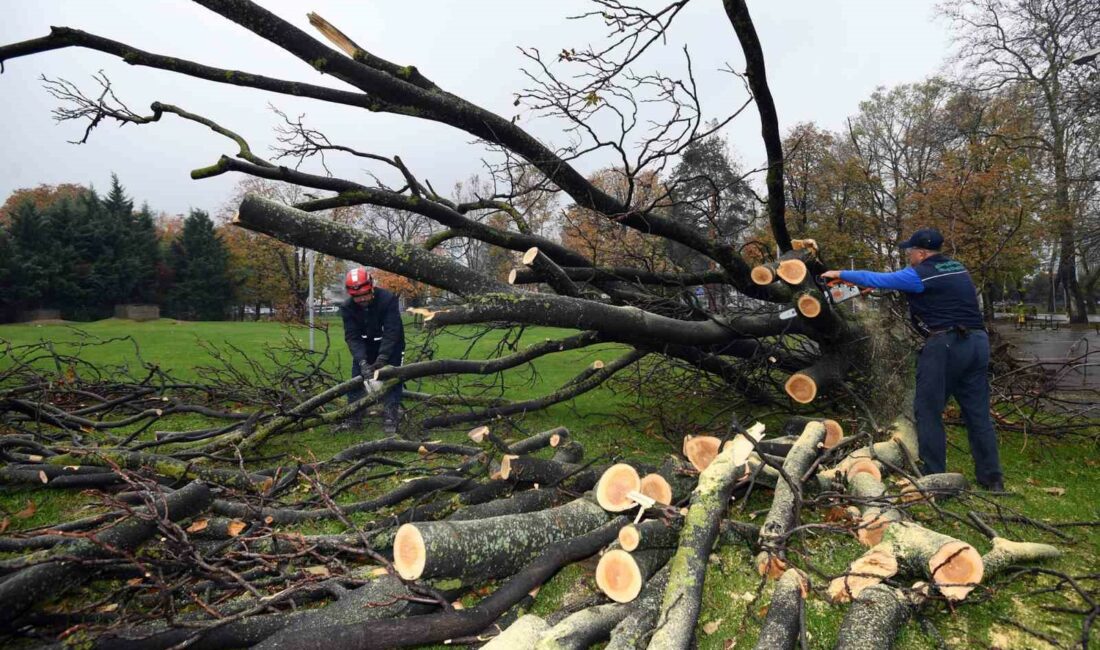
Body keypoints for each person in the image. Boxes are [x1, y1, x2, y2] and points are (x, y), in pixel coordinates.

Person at [821, 227, 1005, 491]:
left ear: (921, 253)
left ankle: (933, 476)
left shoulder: (921, 273)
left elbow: (883, 278)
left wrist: (841, 274)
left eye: (910, 252)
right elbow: (925, 293)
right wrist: (868, 290)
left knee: (927, 411)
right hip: (977, 343)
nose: (908, 256)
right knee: (977, 414)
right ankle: (992, 479)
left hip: (946, 344)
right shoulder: (956, 268)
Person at [337, 267, 404, 435]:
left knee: (392, 379)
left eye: (365, 295)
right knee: (356, 380)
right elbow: (352, 337)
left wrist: (383, 358)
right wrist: (362, 361)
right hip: (365, 346)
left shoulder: (388, 299)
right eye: (357, 297)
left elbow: (392, 331)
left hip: (391, 345)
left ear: (371, 286)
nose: (362, 299)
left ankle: (391, 415)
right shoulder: (347, 307)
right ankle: (354, 416)